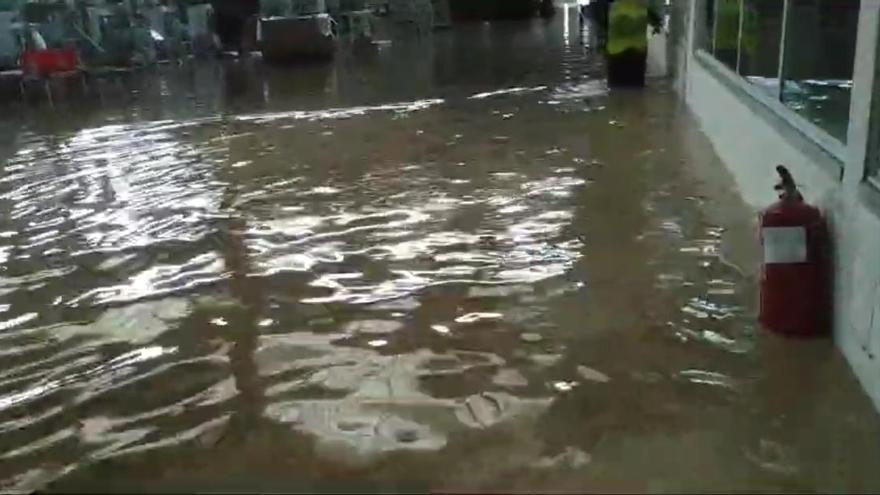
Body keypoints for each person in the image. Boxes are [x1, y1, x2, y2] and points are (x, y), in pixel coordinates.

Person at [605, 0, 662, 87]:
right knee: (636, 87)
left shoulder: (616, 7)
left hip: (617, 51)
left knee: (616, 89)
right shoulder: (643, 8)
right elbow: (657, 23)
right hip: (638, 51)